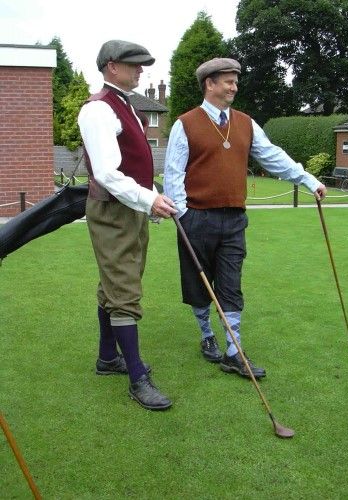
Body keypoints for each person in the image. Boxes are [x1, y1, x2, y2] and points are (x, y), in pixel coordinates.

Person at [163, 57, 327, 380]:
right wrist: (182, 215)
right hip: (195, 217)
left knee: (230, 284)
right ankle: (206, 333)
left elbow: (273, 156)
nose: (234, 86)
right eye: (228, 80)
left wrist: (309, 180)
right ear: (209, 84)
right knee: (198, 284)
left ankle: (234, 351)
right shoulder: (186, 124)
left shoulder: (246, 124)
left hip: (234, 219)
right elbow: (172, 174)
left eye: (236, 80)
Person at [78, 40, 176, 411]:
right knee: (124, 287)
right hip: (112, 212)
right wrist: (149, 199)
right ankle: (137, 377)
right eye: (133, 65)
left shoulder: (128, 107)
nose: (140, 71)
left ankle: (108, 358)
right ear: (111, 67)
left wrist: (152, 196)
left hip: (130, 209)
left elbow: (134, 167)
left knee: (117, 282)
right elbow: (106, 172)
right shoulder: (98, 110)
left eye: (142, 65)